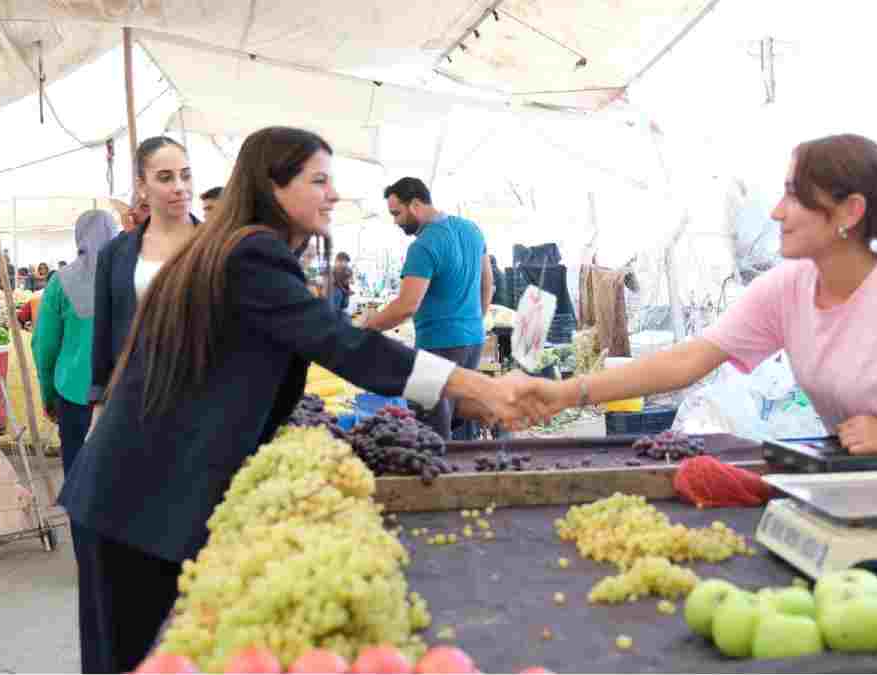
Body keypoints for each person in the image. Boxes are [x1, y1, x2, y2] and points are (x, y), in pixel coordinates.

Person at [58, 126, 539, 673]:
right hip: (138, 504)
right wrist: (477, 386)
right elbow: (343, 344)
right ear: (273, 187)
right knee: (133, 659)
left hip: (136, 495)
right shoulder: (250, 254)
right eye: (319, 181)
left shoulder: (231, 247)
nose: (333, 194)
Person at [526, 134, 877, 529]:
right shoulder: (791, 287)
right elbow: (688, 360)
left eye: (794, 196)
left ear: (850, 212)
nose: (776, 212)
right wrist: (563, 394)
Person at [366, 177, 493, 440]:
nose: (395, 222)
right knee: (457, 416)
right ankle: (465, 459)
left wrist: (367, 326)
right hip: (473, 341)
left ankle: (441, 466)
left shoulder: (423, 246)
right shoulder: (471, 230)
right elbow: (487, 284)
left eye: (397, 213)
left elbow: (406, 306)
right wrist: (474, 322)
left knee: (430, 428)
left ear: (415, 204)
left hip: (438, 346)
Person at [89, 136, 199, 434]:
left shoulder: (218, 246)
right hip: (135, 398)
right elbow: (104, 331)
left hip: (203, 398)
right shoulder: (115, 254)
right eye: (165, 177)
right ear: (142, 186)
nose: (180, 186)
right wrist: (99, 402)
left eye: (185, 175)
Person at [33, 210, 119, 476]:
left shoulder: (60, 281)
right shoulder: (131, 276)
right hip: (124, 396)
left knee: (78, 476)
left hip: (75, 394)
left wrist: (48, 395)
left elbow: (44, 346)